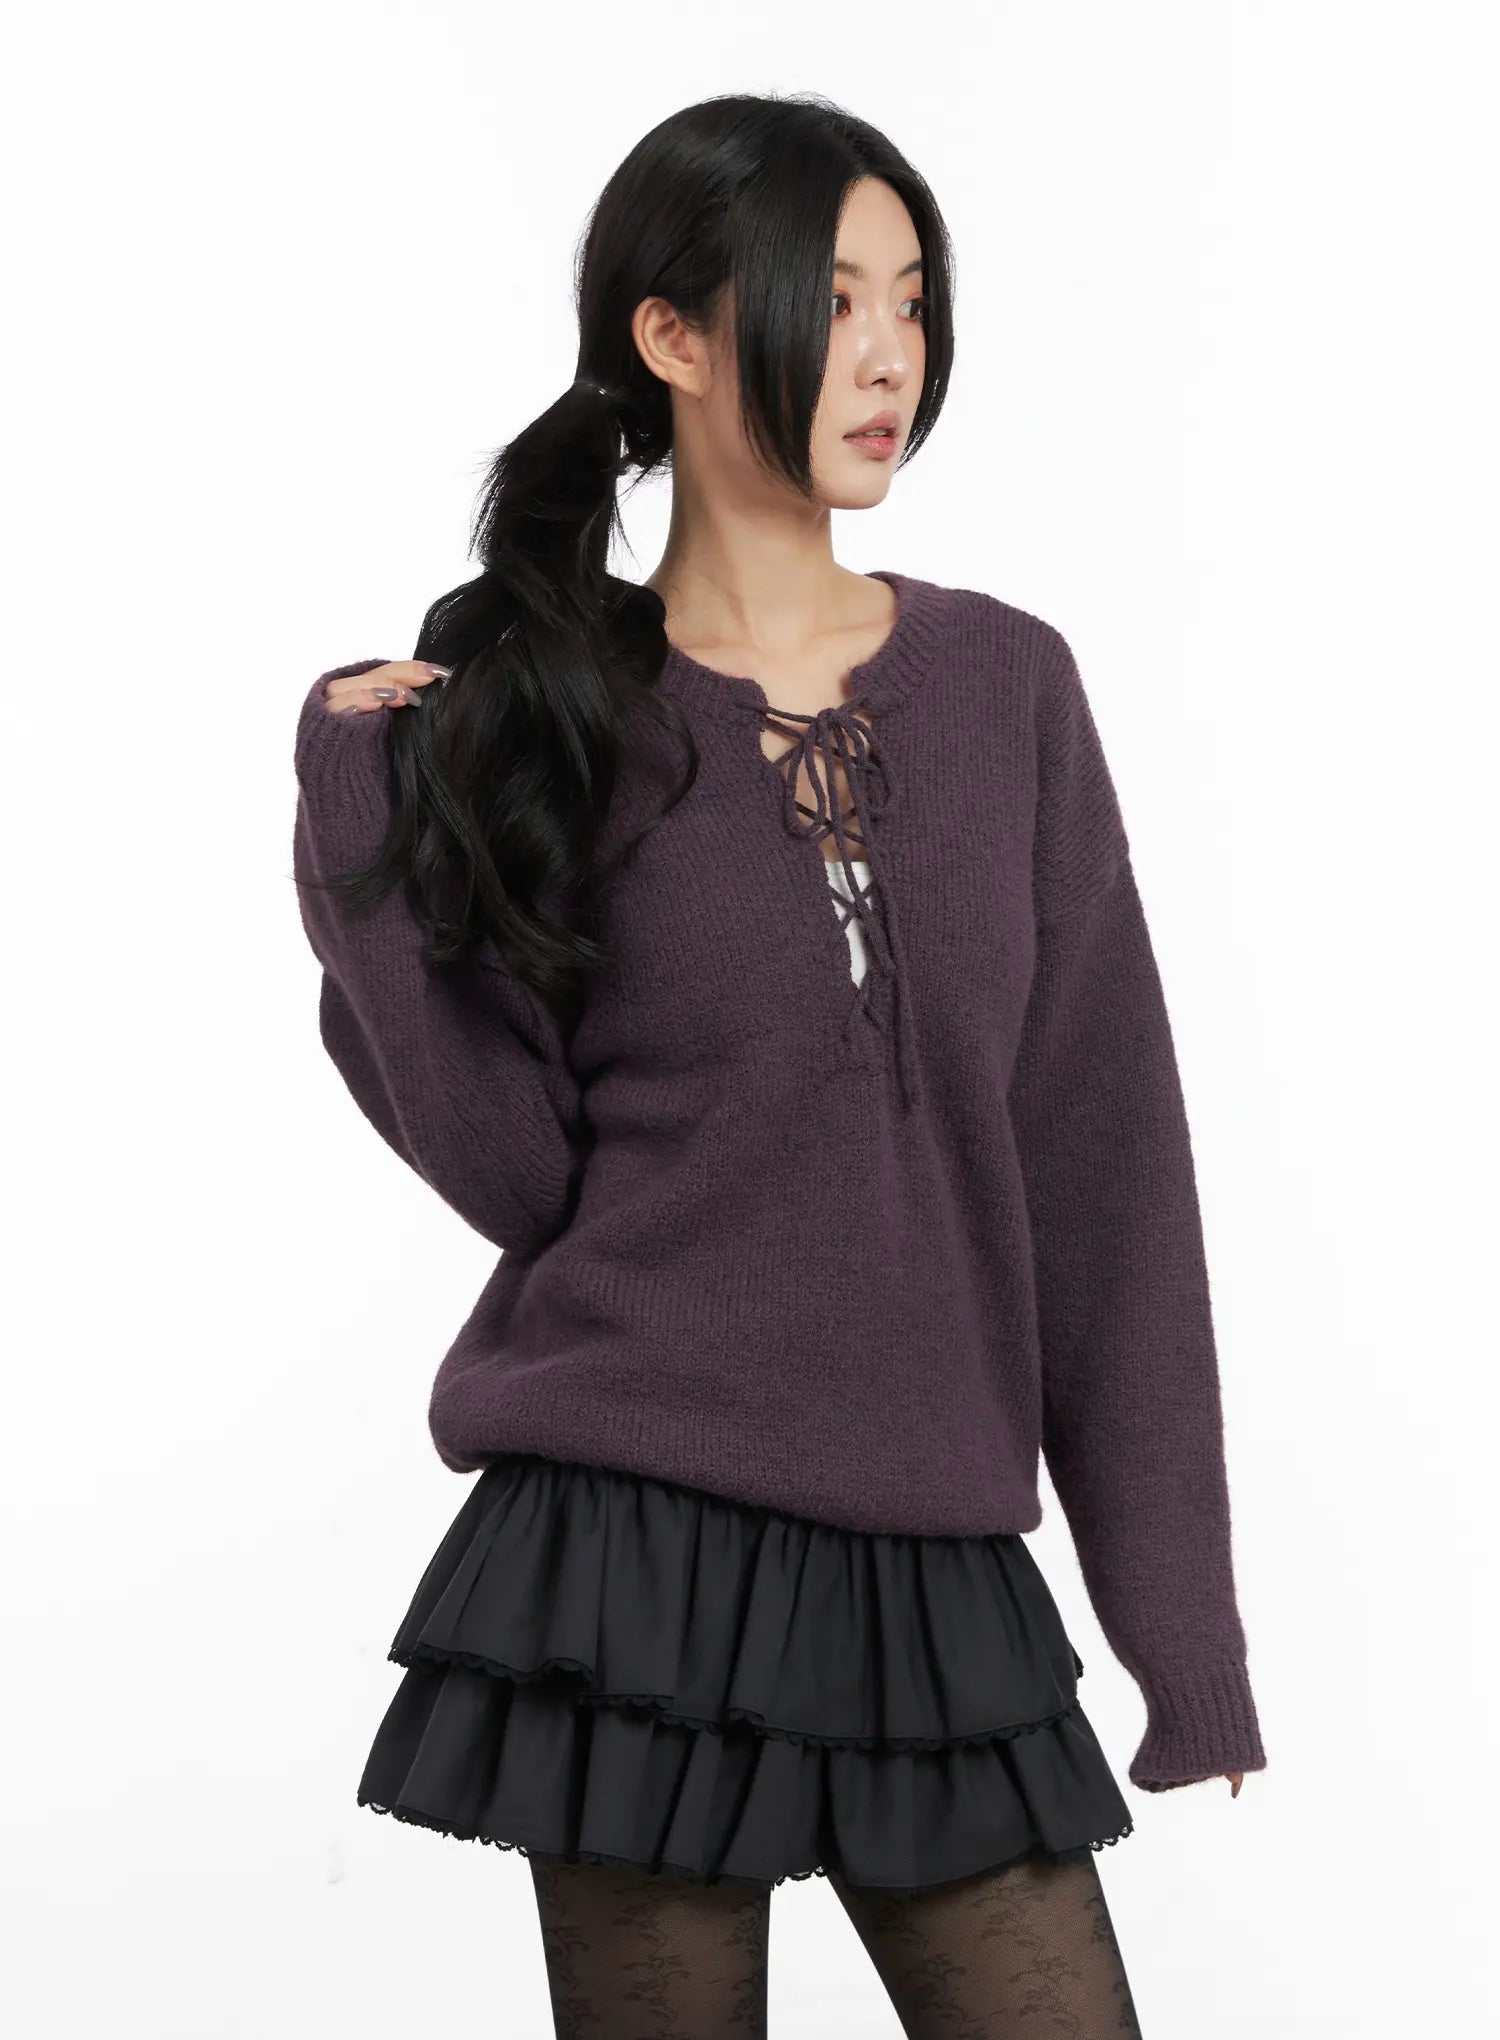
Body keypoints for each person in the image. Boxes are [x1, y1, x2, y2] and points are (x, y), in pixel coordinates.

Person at [290, 90, 1265, 2038]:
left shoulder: (1008, 687)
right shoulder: (548, 712)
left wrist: (1183, 1629)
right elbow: (518, 1174)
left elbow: (1107, 1171)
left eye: (916, 297)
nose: (893, 353)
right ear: (670, 333)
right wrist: (357, 814)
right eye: (837, 297)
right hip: (629, 1557)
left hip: (938, 1560)